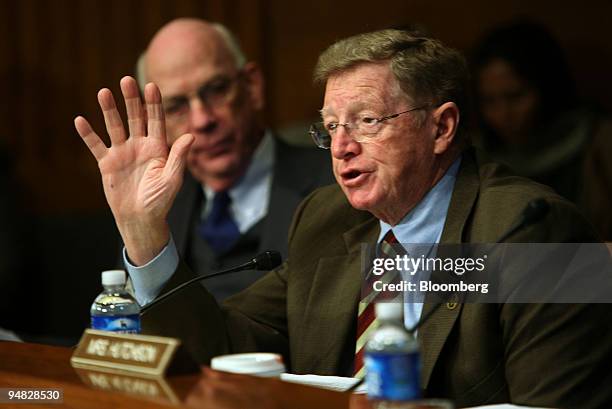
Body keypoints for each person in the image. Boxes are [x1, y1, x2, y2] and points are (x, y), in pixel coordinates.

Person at [75, 29, 612, 408]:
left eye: (367, 121)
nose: (341, 148)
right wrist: (145, 232)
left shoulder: (530, 228)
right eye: (330, 128)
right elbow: (224, 346)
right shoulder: (326, 219)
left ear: (442, 128)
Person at [126, 18, 333, 300]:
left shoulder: (336, 182)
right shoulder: (155, 207)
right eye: (176, 106)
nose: (202, 120)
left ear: (252, 85)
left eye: (216, 89)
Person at [471, 20, 612, 240]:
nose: (503, 114)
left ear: (547, 88)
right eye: (489, 101)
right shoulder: (476, 156)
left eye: (515, 97)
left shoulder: (597, 141)